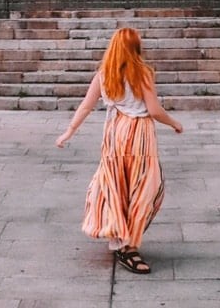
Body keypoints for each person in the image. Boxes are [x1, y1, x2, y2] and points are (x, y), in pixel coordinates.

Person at [55, 26, 183, 275]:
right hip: (138, 134)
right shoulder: (143, 73)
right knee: (145, 188)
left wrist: (68, 132)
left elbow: (85, 106)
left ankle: (120, 236)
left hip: (115, 133)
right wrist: (175, 123)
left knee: (117, 185)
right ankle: (128, 245)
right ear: (136, 47)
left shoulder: (105, 73)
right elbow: (154, 111)